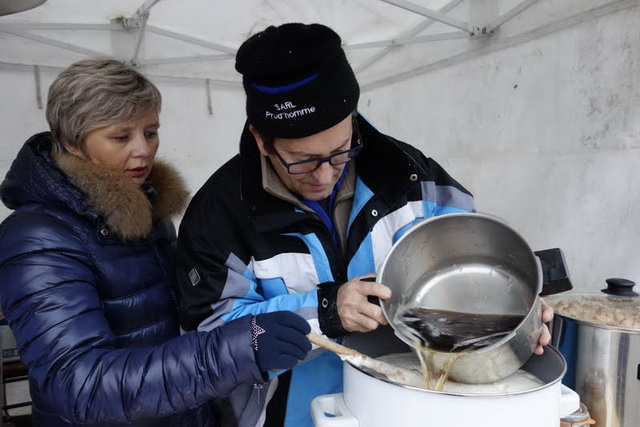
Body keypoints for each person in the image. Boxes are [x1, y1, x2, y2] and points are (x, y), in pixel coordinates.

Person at [175, 23, 553, 427]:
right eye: (301, 160)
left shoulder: (410, 178)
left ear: (353, 119)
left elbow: (467, 269)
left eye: (339, 152)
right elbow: (208, 344)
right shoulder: (218, 216)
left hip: (406, 409)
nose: (324, 176)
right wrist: (324, 312)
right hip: (292, 415)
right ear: (262, 140)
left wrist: (515, 312)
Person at [0, 58, 312, 427]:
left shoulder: (146, 213)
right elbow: (77, 384)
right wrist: (237, 351)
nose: (144, 149)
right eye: (121, 136)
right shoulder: (37, 237)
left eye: (150, 132)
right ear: (72, 142)